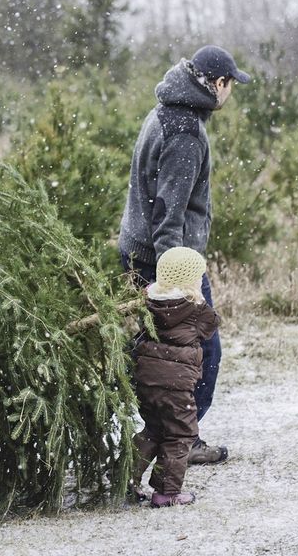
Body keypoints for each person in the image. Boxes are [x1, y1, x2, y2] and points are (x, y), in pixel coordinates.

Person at [118, 45, 250, 465]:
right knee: (201, 353)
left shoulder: (163, 112)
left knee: (155, 355)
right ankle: (177, 439)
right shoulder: (185, 134)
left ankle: (166, 436)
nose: (230, 93)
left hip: (140, 253)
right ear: (217, 84)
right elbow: (167, 214)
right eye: (230, 84)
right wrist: (176, 286)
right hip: (169, 262)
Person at [130, 246, 221, 507]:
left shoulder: (148, 300)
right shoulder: (195, 308)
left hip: (147, 380)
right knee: (180, 435)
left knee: (153, 430)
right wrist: (200, 301)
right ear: (192, 280)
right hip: (177, 384)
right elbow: (210, 327)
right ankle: (166, 493)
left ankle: (124, 478)